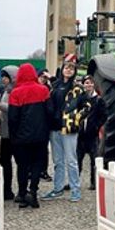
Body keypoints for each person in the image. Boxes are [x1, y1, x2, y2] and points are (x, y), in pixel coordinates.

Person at [43, 57, 86, 202]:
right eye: (66, 67)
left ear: (74, 71)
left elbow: (86, 106)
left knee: (71, 160)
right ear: (62, 69)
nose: (68, 70)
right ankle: (58, 188)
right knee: (58, 161)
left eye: (71, 68)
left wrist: (77, 118)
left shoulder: (77, 88)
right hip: (54, 128)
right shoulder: (54, 86)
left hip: (68, 128)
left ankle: (75, 190)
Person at [8, 63, 50, 208]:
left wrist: (13, 137)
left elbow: (13, 118)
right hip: (40, 136)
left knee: (22, 166)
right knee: (38, 164)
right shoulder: (44, 90)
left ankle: (21, 192)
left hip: (21, 137)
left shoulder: (15, 93)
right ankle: (33, 191)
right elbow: (49, 112)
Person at [77, 75, 107, 190]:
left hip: (92, 135)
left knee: (94, 160)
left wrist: (96, 126)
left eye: (90, 83)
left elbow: (104, 116)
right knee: (77, 160)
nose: (88, 85)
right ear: (83, 85)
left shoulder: (99, 100)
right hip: (81, 135)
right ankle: (75, 182)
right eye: (86, 83)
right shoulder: (80, 99)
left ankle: (94, 182)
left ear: (93, 84)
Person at [0, 66, 18, 200]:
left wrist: (1, 106)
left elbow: (16, 109)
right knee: (4, 161)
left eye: (6, 77)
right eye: (2, 76)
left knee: (17, 162)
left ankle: (14, 190)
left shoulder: (15, 91)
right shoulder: (5, 91)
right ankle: (6, 188)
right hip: (5, 131)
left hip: (14, 132)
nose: (3, 79)